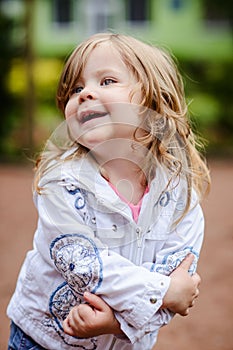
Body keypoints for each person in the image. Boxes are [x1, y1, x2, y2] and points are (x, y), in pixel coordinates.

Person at [7, 32, 210, 350]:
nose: (85, 93)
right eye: (76, 88)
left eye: (106, 81)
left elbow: (179, 278)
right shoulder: (61, 181)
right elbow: (83, 264)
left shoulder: (179, 193)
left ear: (153, 101)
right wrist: (163, 292)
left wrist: (119, 324)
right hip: (45, 340)